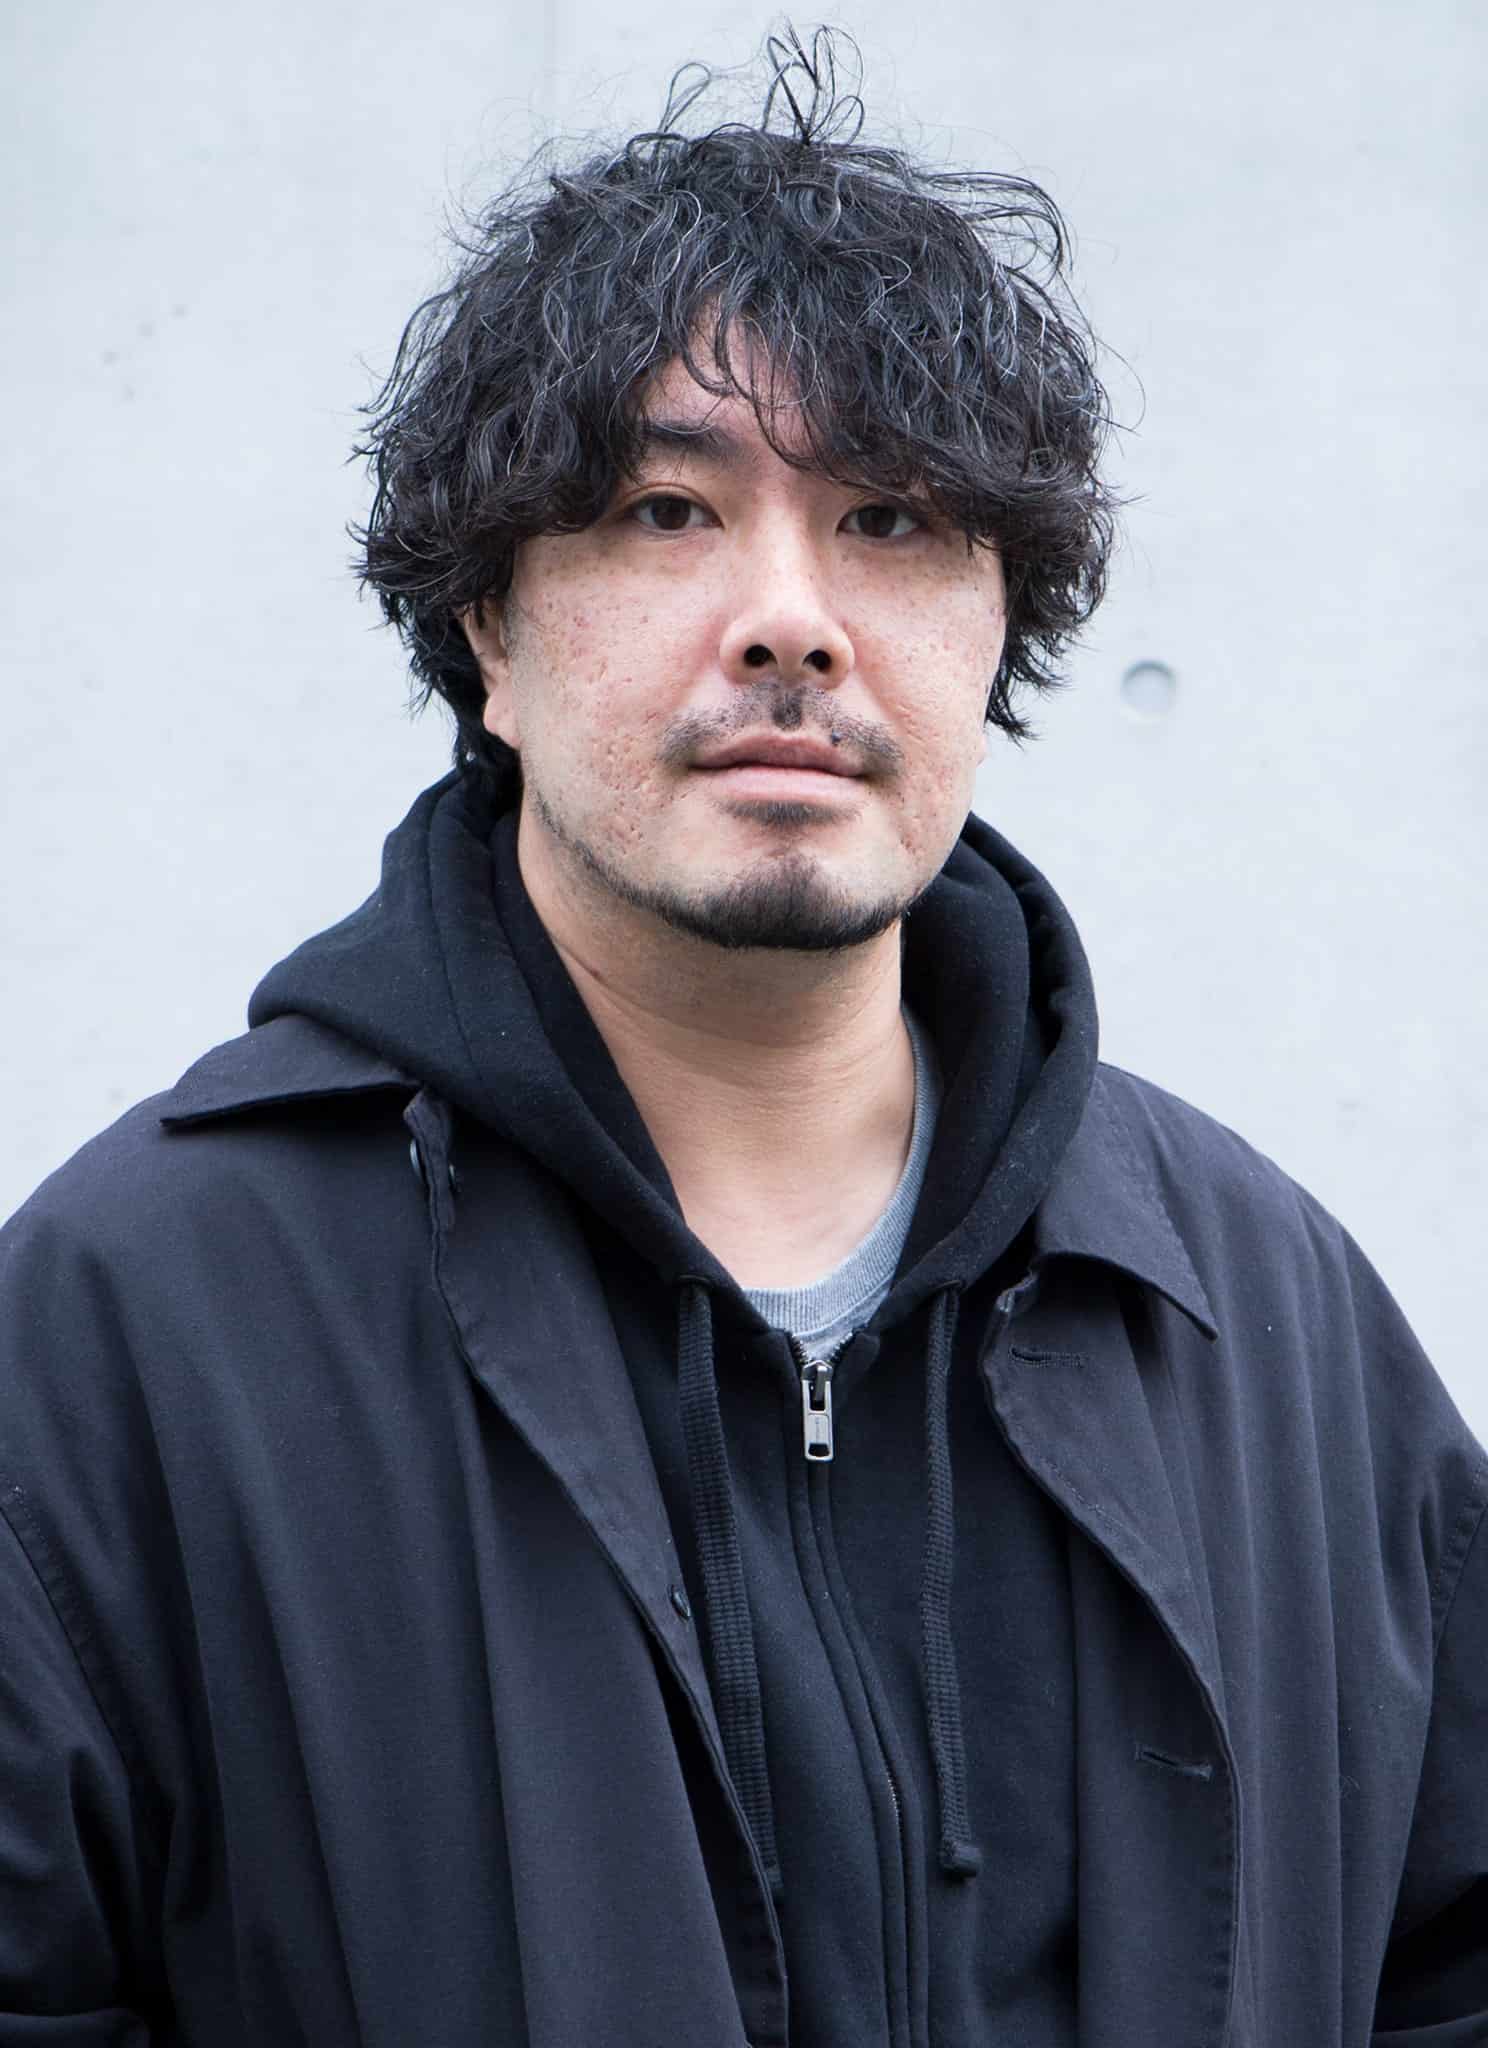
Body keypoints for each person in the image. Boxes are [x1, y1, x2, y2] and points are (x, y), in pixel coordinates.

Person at [1, 26, 1482, 2047]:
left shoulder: (1265, 1317)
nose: (791, 617)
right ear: (492, 635)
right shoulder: (133, 1326)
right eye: (663, 511)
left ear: (996, 627)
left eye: (891, 521)